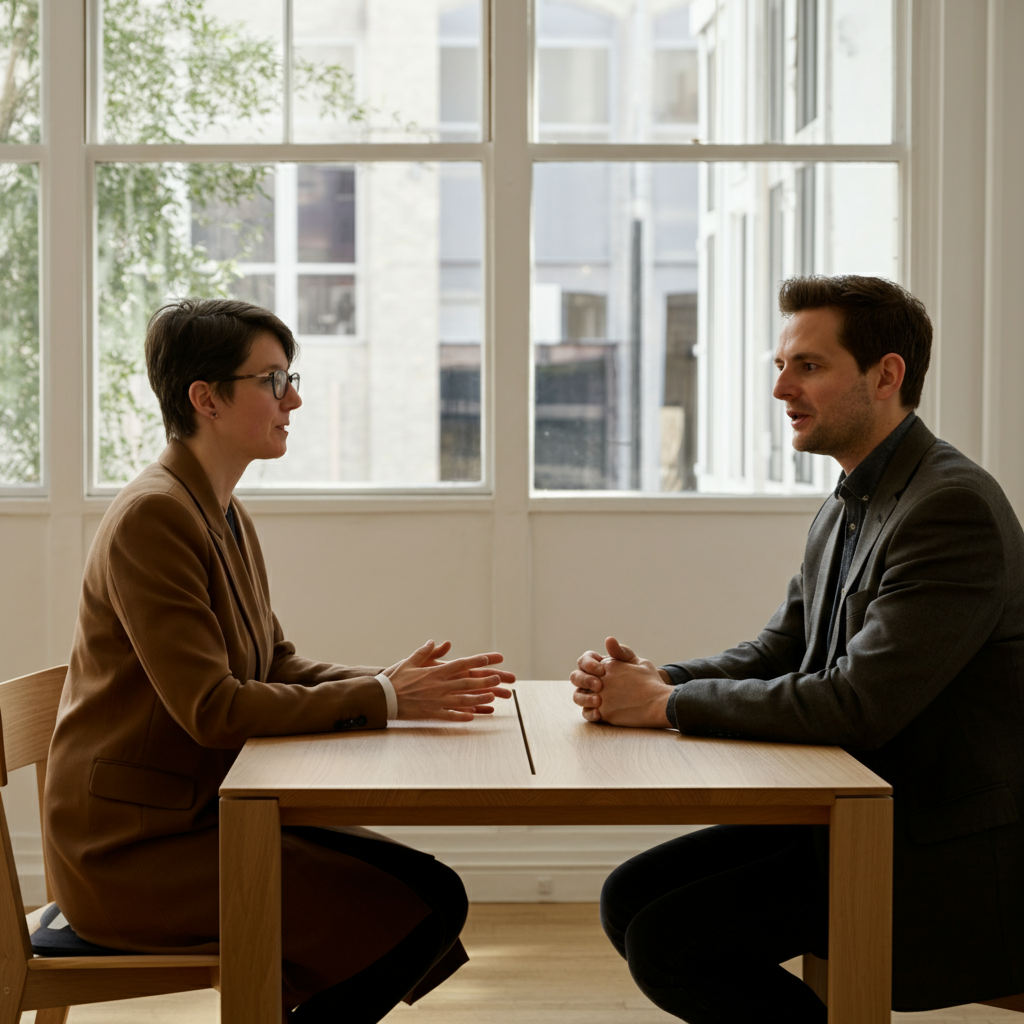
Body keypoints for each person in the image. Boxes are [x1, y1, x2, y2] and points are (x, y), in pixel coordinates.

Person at [43, 298, 516, 1023]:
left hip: (201, 818)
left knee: (425, 888)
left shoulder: (219, 507)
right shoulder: (155, 516)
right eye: (272, 380)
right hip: (134, 854)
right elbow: (215, 708)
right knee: (425, 904)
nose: (293, 398)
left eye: (290, 377)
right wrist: (384, 701)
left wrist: (387, 685)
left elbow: (276, 663)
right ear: (206, 398)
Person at [570, 275, 1024, 1022]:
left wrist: (665, 705)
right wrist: (652, 680)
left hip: (933, 843)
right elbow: (781, 650)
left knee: (670, 942)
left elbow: (856, 704)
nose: (782, 387)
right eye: (780, 367)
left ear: (886, 376)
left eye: (808, 366)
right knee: (629, 899)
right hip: (854, 810)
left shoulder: (951, 507)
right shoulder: (855, 496)